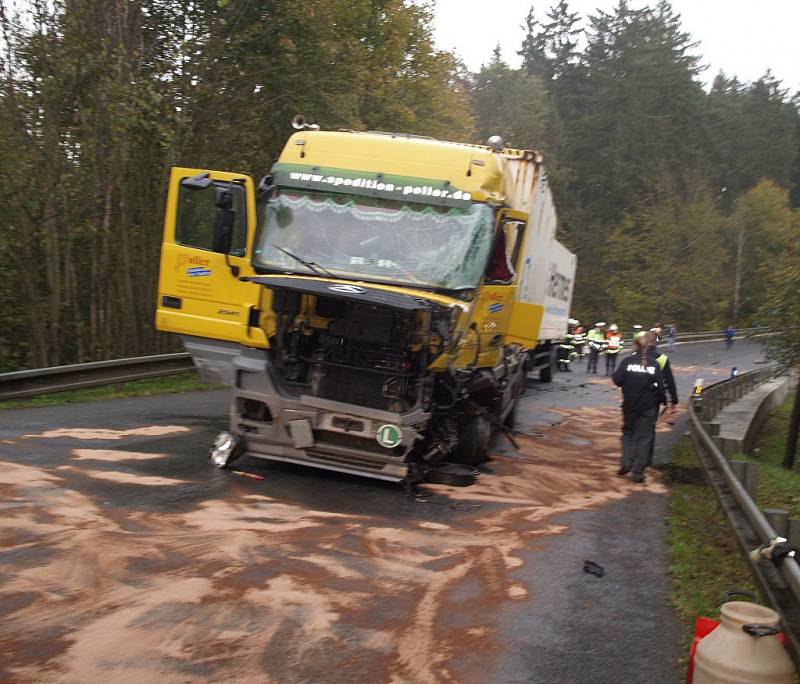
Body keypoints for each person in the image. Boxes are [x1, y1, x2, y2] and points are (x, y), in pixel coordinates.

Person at [612, 331, 669, 483]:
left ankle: (626, 462)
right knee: (644, 437)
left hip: (629, 405)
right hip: (648, 408)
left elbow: (617, 379)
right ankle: (638, 472)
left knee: (628, 433)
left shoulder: (627, 362)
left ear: (635, 346)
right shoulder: (654, 364)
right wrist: (664, 401)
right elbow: (660, 387)